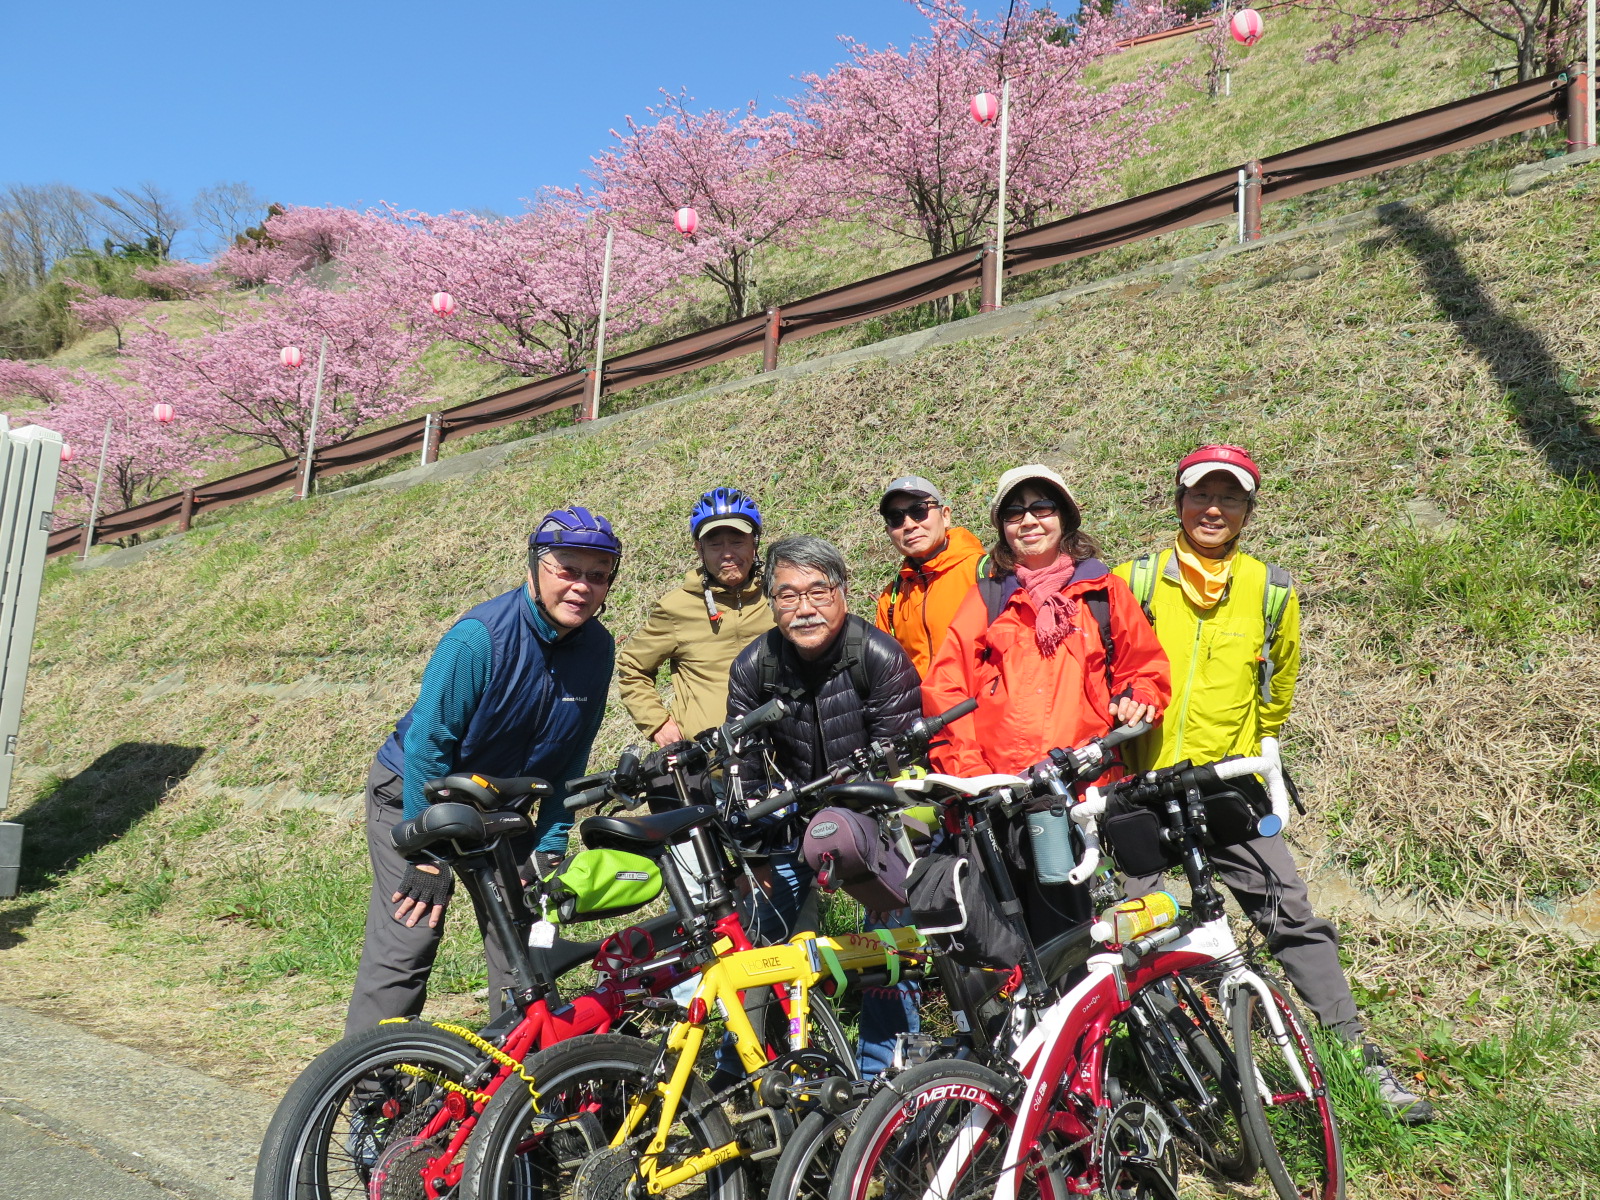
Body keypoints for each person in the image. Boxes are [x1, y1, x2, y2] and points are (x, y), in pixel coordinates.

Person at [1112, 444, 1435, 1124]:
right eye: (1203, 494)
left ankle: (1351, 1053)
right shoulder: (1135, 581)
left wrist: (1243, 750)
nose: (1213, 508)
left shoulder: (1271, 588)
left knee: (1290, 909)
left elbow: (1276, 688)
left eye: (1230, 498)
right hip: (1142, 782)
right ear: (1178, 502)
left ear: (1247, 511)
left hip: (1225, 780)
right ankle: (1177, 1056)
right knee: (1137, 927)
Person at [344, 506, 619, 1037]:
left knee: (522, 942)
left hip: (502, 805)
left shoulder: (597, 648)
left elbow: (573, 753)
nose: (582, 586)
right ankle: (371, 1098)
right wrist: (424, 853)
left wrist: (550, 841)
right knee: (411, 934)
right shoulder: (480, 636)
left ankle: (524, 1086)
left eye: (597, 575)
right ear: (536, 567)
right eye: (568, 569)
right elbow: (430, 740)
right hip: (417, 791)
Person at [923, 464, 1171, 939]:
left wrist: (1139, 696)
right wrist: (973, 774)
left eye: (1042, 507)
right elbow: (945, 691)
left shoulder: (1103, 591)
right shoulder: (988, 598)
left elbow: (1145, 666)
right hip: (1006, 795)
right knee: (1028, 934)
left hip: (1087, 789)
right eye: (1014, 512)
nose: (1029, 520)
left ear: (1065, 519)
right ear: (1001, 528)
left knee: (1110, 930)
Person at [725, 535, 923, 1076]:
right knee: (755, 942)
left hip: (870, 822)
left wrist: (871, 854)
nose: (804, 608)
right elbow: (740, 769)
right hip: (789, 823)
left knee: (889, 948)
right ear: (770, 601)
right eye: (787, 596)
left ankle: (890, 1075)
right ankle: (739, 1071)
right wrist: (755, 859)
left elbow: (898, 770)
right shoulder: (755, 666)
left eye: (817, 591)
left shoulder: (878, 658)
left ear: (841, 592)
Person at [617, 488, 773, 746]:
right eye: (714, 544)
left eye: (737, 541)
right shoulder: (676, 609)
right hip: (708, 764)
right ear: (699, 550)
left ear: (754, 543)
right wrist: (657, 724)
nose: (727, 553)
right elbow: (632, 667)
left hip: (781, 757)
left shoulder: (780, 597)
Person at [873, 474, 987, 677]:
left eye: (919, 511)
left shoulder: (985, 573)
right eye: (896, 518)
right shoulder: (891, 599)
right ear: (888, 531)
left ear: (945, 516)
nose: (909, 525)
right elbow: (886, 675)